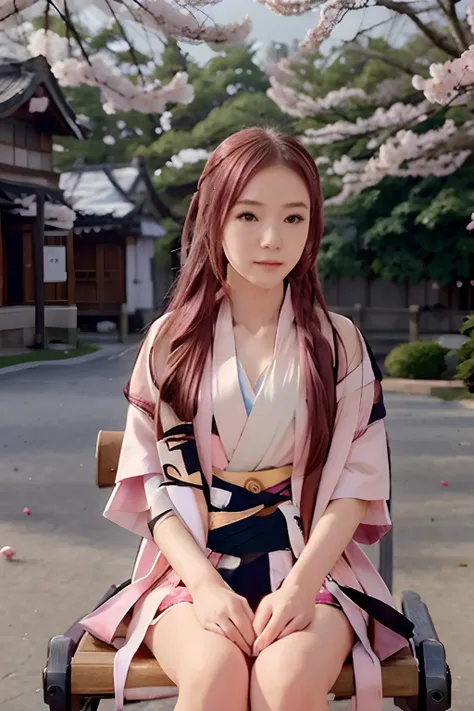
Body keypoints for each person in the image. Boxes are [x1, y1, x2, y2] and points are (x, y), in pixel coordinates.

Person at [80, 127, 412, 711]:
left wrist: (303, 587)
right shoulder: (171, 342)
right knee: (212, 677)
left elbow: (356, 483)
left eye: (293, 218)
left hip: (314, 567)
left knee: (285, 685)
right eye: (248, 215)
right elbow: (155, 481)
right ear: (213, 217)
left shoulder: (340, 344)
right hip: (191, 571)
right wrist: (205, 588)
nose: (270, 239)